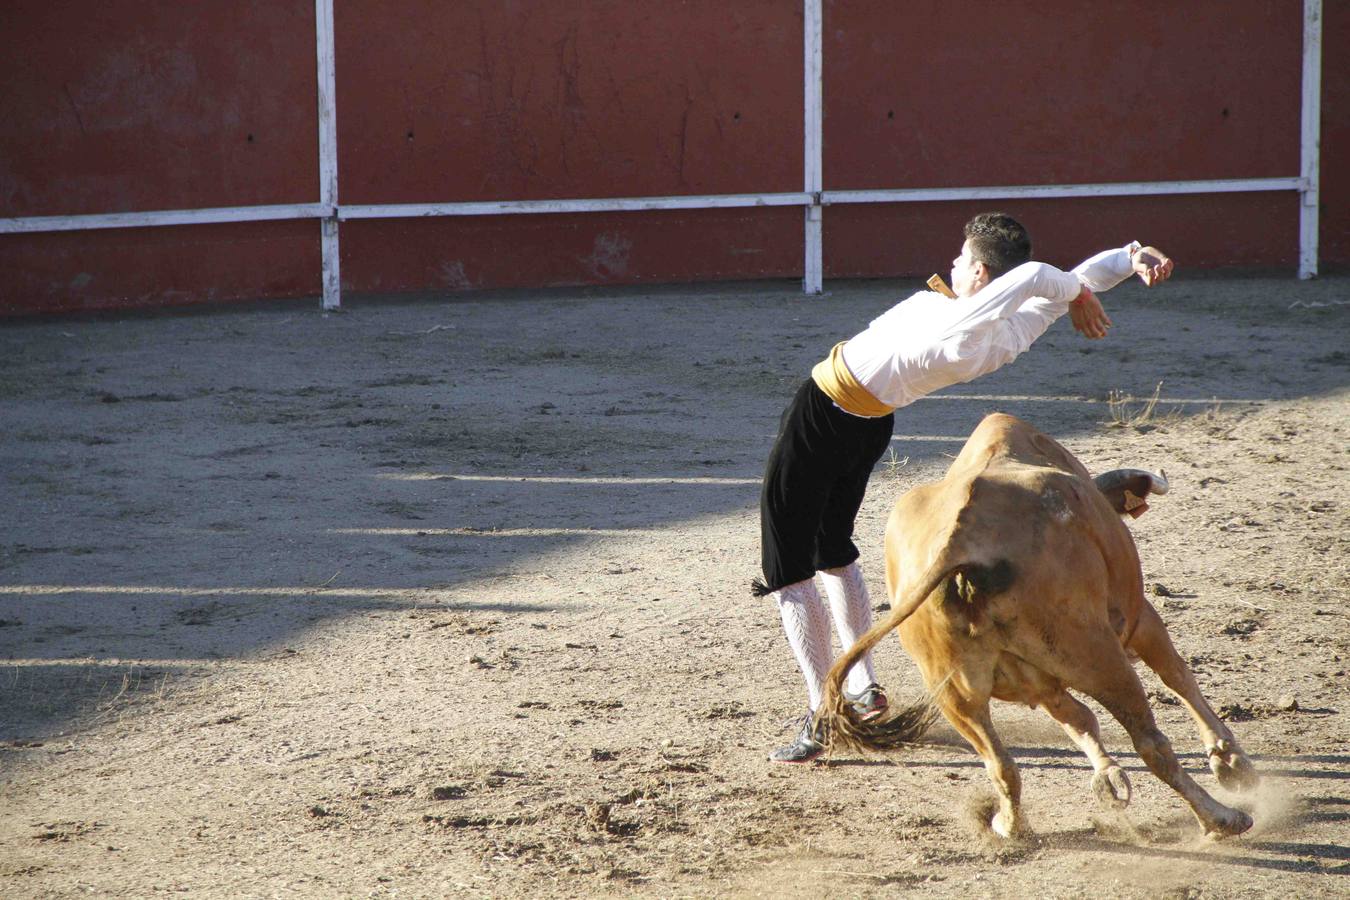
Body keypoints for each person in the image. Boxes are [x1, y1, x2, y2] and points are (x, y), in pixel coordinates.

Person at [754, 212, 1174, 763]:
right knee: (833, 552)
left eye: (960, 259)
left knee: (786, 571)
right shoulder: (1008, 331)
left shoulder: (963, 326)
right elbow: (1048, 283)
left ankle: (821, 708)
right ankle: (860, 688)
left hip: (824, 416)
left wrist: (1074, 289)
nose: (950, 265)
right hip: (871, 424)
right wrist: (1125, 259)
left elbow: (1042, 280)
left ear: (978, 272)